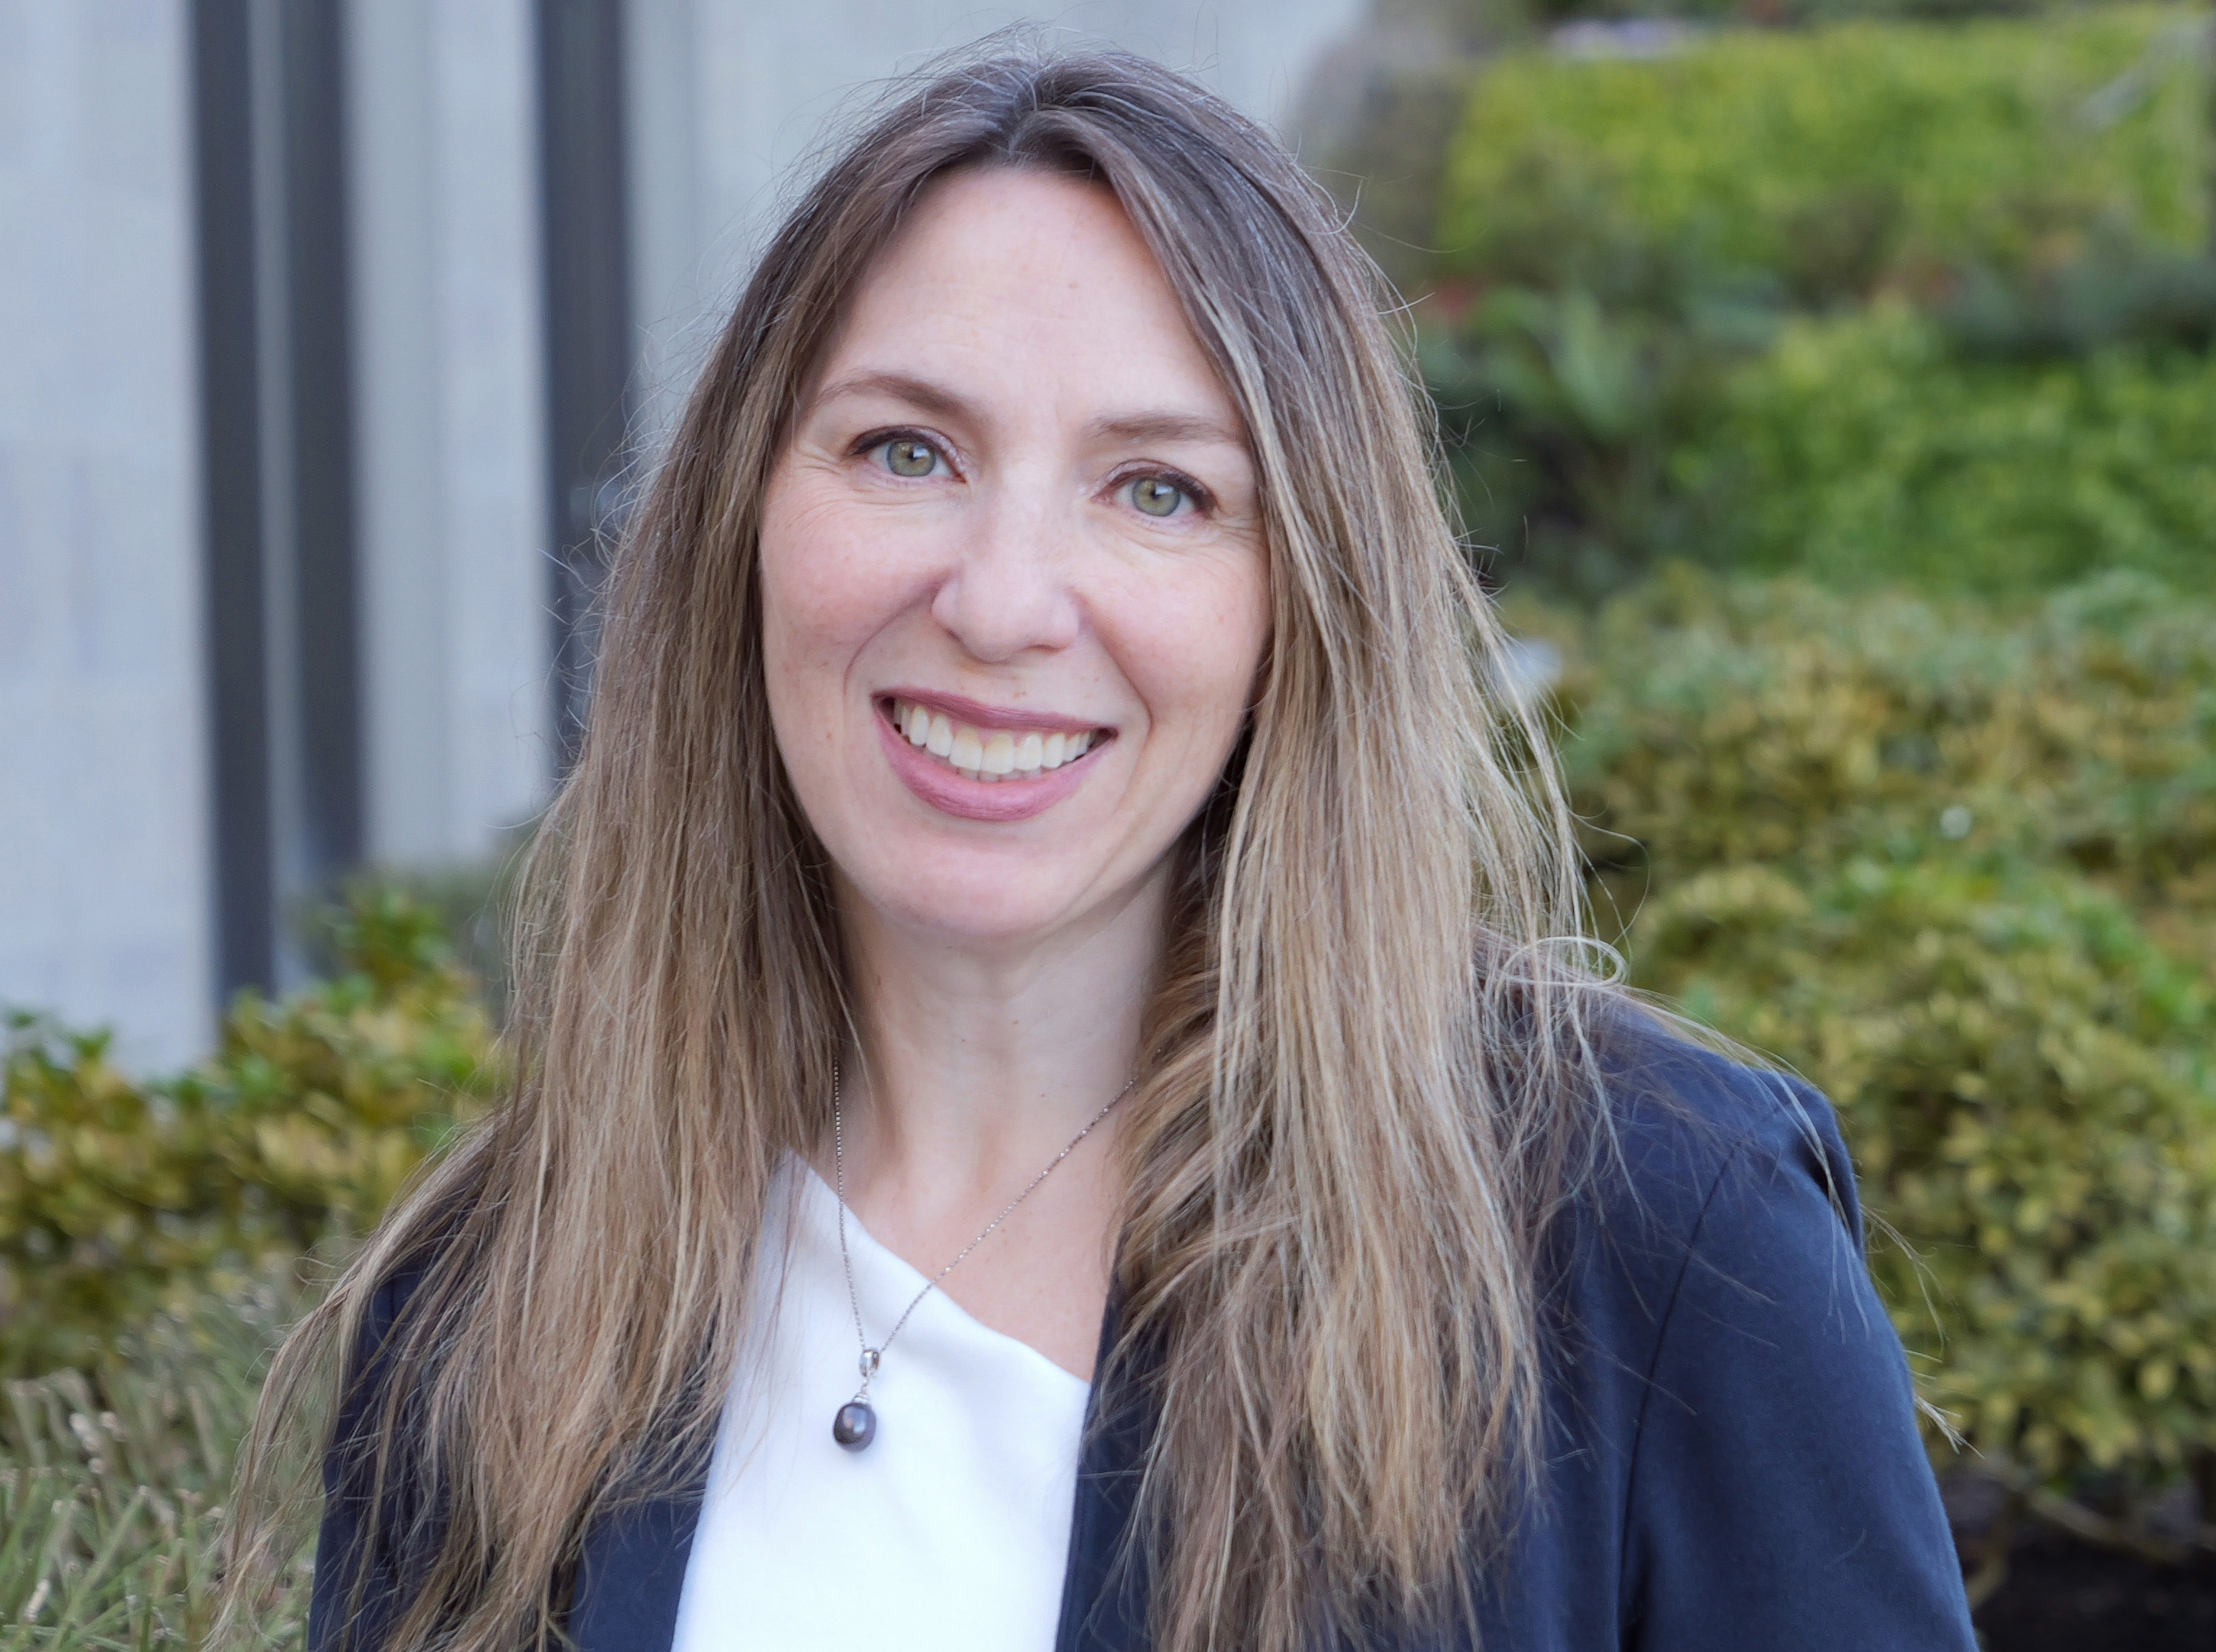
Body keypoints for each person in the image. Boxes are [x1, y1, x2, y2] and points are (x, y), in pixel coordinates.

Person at [224, 43, 1977, 1652]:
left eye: (1158, 491)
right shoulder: (505, 1303)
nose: (997, 602)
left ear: (1302, 597)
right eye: (905, 449)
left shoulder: (1647, 1243)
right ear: (742, 527)